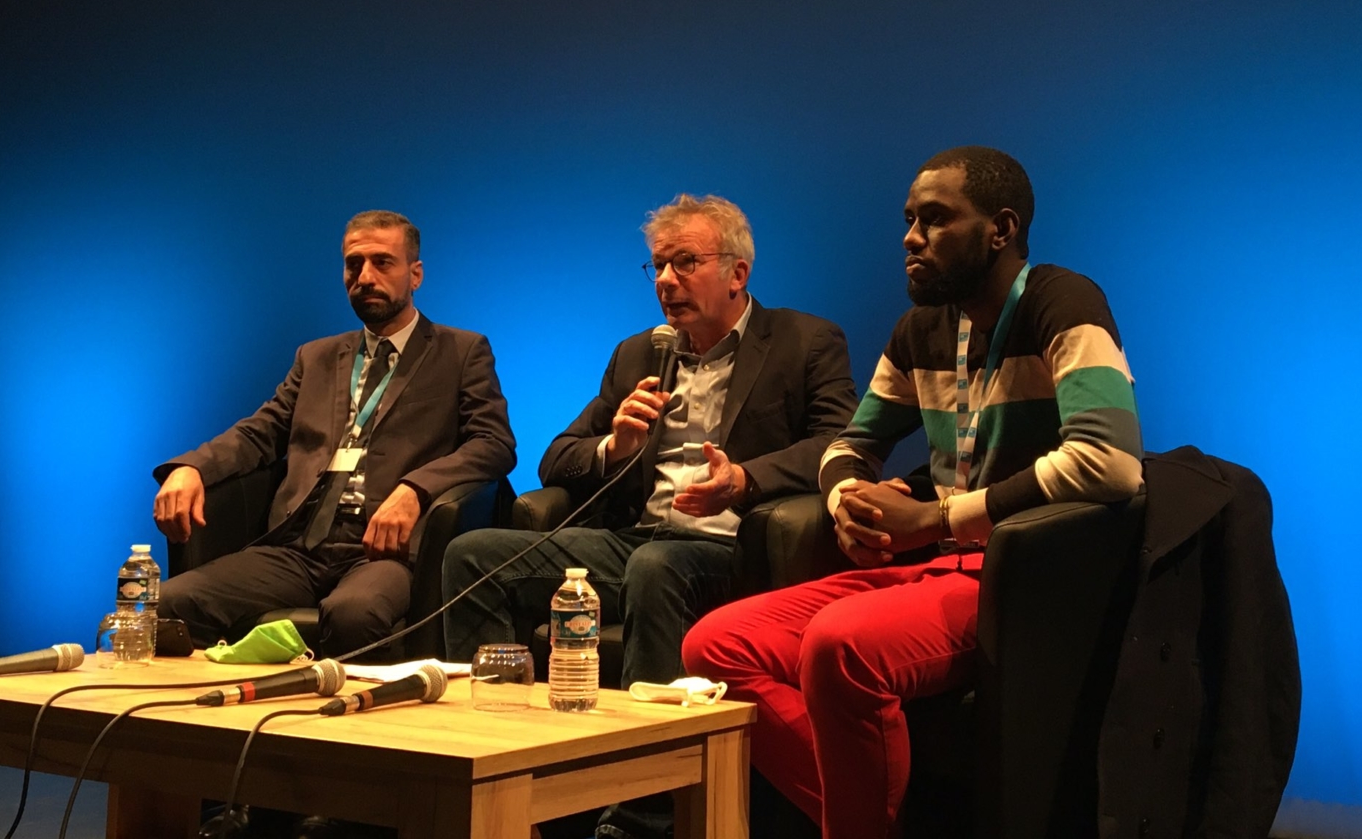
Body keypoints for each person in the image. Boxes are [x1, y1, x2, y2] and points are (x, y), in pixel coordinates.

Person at [681, 148, 1144, 839]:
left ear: (1001, 228)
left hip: (1022, 577)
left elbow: (1110, 460)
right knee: (717, 644)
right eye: (908, 220)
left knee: (839, 644)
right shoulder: (921, 330)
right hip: (936, 569)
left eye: (935, 219)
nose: (911, 237)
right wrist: (848, 505)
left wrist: (936, 517)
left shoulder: (1063, 303)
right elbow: (847, 446)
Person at [441, 193, 858, 688]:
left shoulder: (804, 341)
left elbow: (840, 441)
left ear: (737, 274)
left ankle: (653, 733)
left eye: (685, 262)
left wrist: (745, 479)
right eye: (658, 265)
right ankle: (494, 722)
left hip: (734, 548)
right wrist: (614, 446)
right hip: (636, 540)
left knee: (656, 565)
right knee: (471, 554)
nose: (665, 280)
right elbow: (556, 458)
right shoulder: (639, 353)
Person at [153, 210, 516, 658]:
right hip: (300, 545)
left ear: (415, 274)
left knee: (352, 614)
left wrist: (416, 489)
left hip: (384, 550)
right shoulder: (317, 357)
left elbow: (493, 443)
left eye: (382, 262)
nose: (365, 277)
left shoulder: (460, 351)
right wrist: (192, 468)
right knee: (169, 603)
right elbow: (259, 432)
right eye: (353, 264)